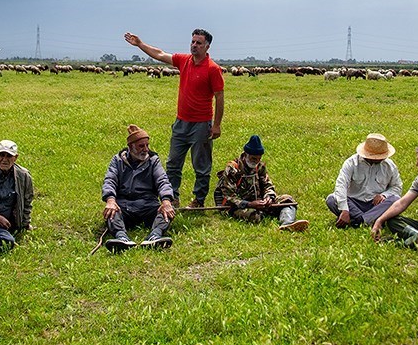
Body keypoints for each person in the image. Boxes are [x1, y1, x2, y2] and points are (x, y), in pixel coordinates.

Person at [124, 29, 225, 209]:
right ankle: (171, 197)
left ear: (207, 46)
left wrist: (216, 125)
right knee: (173, 163)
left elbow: (219, 97)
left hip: (202, 124)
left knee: (201, 166)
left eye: (199, 43)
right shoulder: (183, 60)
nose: (194, 45)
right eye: (193, 41)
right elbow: (160, 54)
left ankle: (199, 201)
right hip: (181, 123)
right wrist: (140, 44)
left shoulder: (213, 69)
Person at [101, 124, 177, 252]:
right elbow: (110, 180)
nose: (146, 149)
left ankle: (155, 237)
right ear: (131, 147)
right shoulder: (117, 161)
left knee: (166, 212)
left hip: (148, 204)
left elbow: (162, 180)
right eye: (141, 146)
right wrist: (110, 200)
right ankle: (121, 238)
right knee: (112, 213)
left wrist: (166, 201)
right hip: (124, 205)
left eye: (147, 145)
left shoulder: (153, 161)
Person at [213, 135, 309, 231]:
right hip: (236, 206)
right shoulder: (233, 169)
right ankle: (266, 213)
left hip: (259, 202)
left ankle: (287, 223)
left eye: (259, 158)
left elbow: (268, 185)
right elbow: (229, 196)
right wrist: (249, 204)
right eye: (253, 158)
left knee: (288, 200)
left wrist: (269, 197)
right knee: (254, 217)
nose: (256, 162)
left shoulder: (260, 166)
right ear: (246, 154)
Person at [326, 133, 402, 228]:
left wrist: (384, 195)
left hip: (375, 205)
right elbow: (341, 185)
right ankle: (369, 220)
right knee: (332, 199)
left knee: (396, 200)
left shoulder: (389, 166)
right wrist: (344, 210)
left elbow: (397, 187)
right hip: (353, 203)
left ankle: (359, 221)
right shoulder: (351, 163)